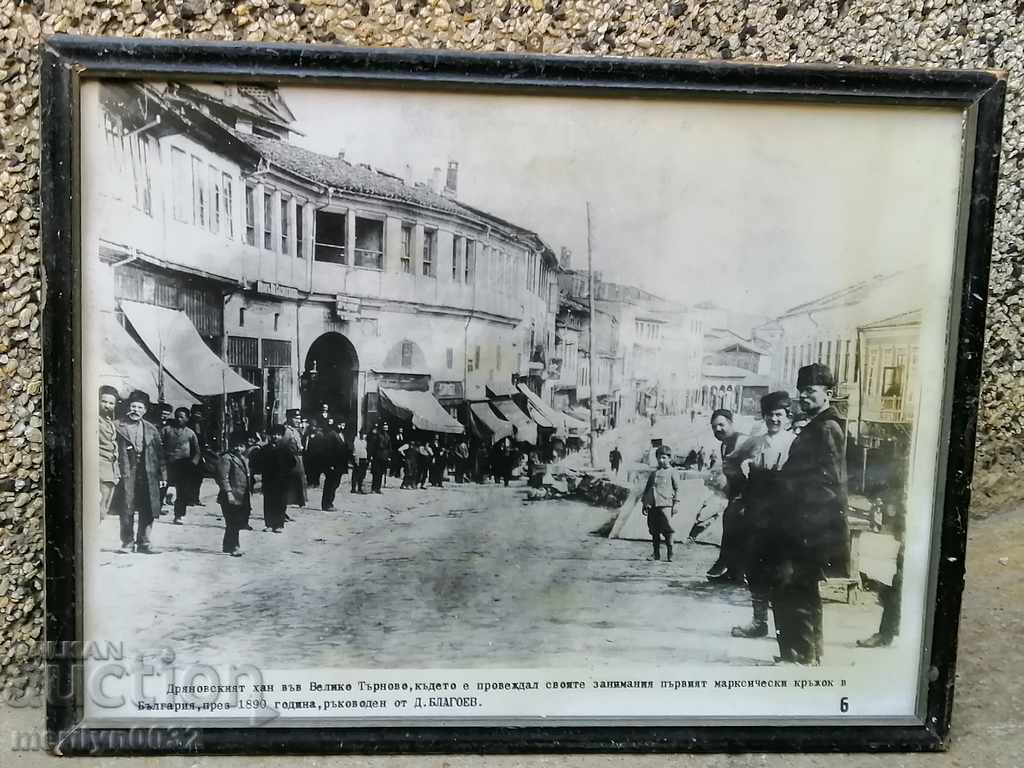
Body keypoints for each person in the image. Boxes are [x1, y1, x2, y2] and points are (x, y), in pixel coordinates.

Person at [769, 363, 851, 665]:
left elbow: (829, 482)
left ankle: (802, 654)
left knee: (794, 586)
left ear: (827, 394)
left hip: (808, 526)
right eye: (801, 391)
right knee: (799, 587)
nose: (803, 396)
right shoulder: (817, 425)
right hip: (802, 523)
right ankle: (804, 653)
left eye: (810, 391)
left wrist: (806, 521)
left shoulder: (827, 428)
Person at [726, 391, 796, 639]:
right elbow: (730, 463)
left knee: (782, 571)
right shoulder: (755, 442)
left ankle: (784, 628)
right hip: (757, 513)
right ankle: (759, 622)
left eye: (779, 415)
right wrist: (741, 486)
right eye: (769, 415)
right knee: (756, 567)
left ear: (788, 416)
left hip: (785, 514)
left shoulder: (794, 443)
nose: (774, 420)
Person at [111, 389, 166, 554]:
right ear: (128, 407)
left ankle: (144, 542)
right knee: (126, 507)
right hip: (127, 472)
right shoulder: (117, 426)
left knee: (148, 507)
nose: (136, 410)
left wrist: (163, 475)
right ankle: (127, 542)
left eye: (140, 408)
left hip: (148, 473)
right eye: (133, 406)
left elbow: (160, 455)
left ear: (145, 410)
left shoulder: (152, 429)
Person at [705, 409, 747, 582]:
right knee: (729, 524)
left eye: (722, 425)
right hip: (735, 493)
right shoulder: (724, 445)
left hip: (749, 492)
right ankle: (733, 571)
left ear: (731, 423)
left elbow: (748, 470)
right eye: (714, 427)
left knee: (738, 528)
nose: (718, 430)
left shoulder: (742, 440)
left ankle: (730, 565)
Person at [161, 406, 201, 525]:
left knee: (182, 491)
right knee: (162, 487)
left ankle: (179, 515)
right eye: (177, 416)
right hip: (168, 463)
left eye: (182, 417)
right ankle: (156, 509)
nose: (179, 419)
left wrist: (192, 464)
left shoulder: (190, 433)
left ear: (187, 419)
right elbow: (158, 444)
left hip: (184, 465)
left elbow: (197, 451)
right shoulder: (167, 430)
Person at [215, 429, 252, 556]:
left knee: (235, 522)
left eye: (241, 446)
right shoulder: (226, 458)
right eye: (235, 445)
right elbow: (222, 478)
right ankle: (234, 546)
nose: (238, 448)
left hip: (242, 495)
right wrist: (228, 492)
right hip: (229, 496)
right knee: (233, 522)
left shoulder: (244, 458)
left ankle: (227, 546)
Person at [641, 446, 678, 561]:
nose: (661, 460)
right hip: (652, 505)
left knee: (667, 529)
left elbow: (677, 489)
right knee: (654, 530)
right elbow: (648, 489)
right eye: (659, 458)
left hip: (665, 504)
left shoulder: (672, 472)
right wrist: (645, 503)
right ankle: (656, 553)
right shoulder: (654, 473)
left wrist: (676, 504)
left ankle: (670, 552)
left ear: (669, 458)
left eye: (663, 457)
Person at [260, 424, 295, 532]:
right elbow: (259, 463)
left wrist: (285, 472)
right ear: (270, 436)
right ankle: (269, 524)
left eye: (278, 435)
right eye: (273, 434)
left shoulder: (286, 449)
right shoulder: (265, 449)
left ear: (282, 436)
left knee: (280, 502)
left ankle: (279, 524)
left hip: (282, 480)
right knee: (268, 502)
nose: (275, 437)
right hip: (269, 480)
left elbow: (292, 463)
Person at [97, 385, 121, 522]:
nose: (107, 405)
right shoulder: (94, 420)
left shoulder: (109, 421)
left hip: (111, 467)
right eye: (104, 401)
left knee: (105, 505)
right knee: (98, 506)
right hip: (99, 466)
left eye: (111, 403)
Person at [281, 409, 307, 507]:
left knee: (298, 482)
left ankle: (295, 502)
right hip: (290, 459)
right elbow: (283, 446)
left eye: (299, 418)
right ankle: (284, 507)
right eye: (295, 418)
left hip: (297, 459)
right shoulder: (287, 431)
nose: (298, 420)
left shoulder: (295, 430)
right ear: (289, 418)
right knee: (289, 484)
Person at [320, 422, 349, 511]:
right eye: (340, 424)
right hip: (333, 465)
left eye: (343, 425)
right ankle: (326, 504)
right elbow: (328, 451)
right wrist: (330, 464)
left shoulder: (341, 435)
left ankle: (330, 502)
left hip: (339, 465)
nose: (342, 426)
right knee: (330, 484)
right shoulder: (331, 435)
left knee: (335, 484)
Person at [371, 423, 392, 493]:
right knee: (376, 473)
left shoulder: (388, 437)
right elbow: (374, 446)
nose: (385, 430)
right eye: (384, 428)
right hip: (377, 456)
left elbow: (389, 447)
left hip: (384, 457)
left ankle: (378, 488)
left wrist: (389, 456)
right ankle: (374, 488)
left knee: (381, 473)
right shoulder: (378, 435)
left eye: (386, 428)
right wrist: (373, 455)